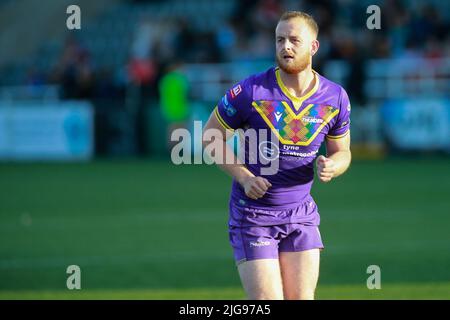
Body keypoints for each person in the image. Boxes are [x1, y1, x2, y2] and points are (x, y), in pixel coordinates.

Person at [202, 11, 351, 300]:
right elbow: (211, 136)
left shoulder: (335, 98)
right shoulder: (250, 91)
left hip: (301, 215)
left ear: (314, 47)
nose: (286, 47)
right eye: (280, 40)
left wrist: (334, 165)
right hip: (253, 215)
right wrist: (244, 177)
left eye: (294, 40)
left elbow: (342, 151)